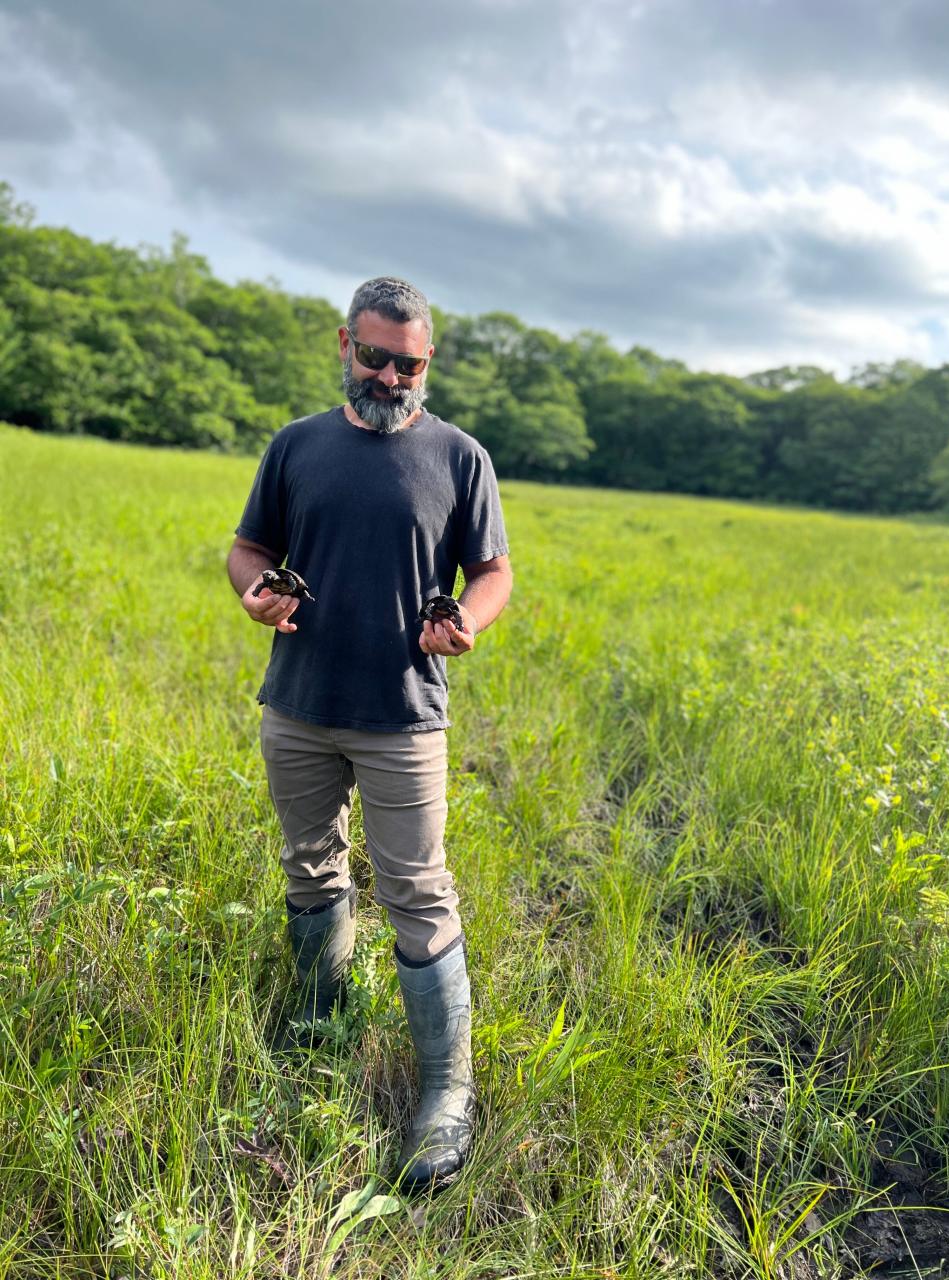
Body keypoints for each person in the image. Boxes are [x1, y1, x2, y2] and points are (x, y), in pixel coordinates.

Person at [226, 277, 512, 1193]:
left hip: (402, 714)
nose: (391, 377)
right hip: (299, 703)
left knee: (418, 890)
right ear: (344, 344)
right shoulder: (297, 445)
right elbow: (249, 547)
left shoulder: (460, 456)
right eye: (376, 357)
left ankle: (445, 1091)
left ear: (430, 362)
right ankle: (320, 1024)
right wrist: (252, 593)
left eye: (411, 363)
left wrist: (466, 620)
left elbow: (494, 571)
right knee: (310, 865)